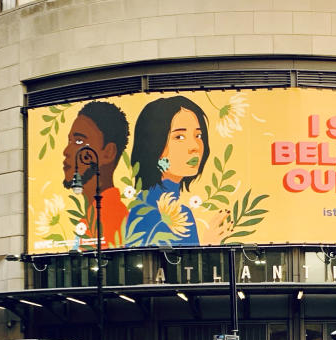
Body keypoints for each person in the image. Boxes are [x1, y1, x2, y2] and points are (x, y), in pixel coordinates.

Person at [124, 96, 230, 247]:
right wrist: (206, 246)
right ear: (154, 146)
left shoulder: (161, 206)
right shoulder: (154, 211)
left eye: (198, 135)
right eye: (179, 136)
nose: (195, 146)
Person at [61, 100, 130, 247]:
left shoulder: (110, 217)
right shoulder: (94, 215)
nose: (66, 151)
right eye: (70, 141)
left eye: (79, 141)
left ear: (108, 152)